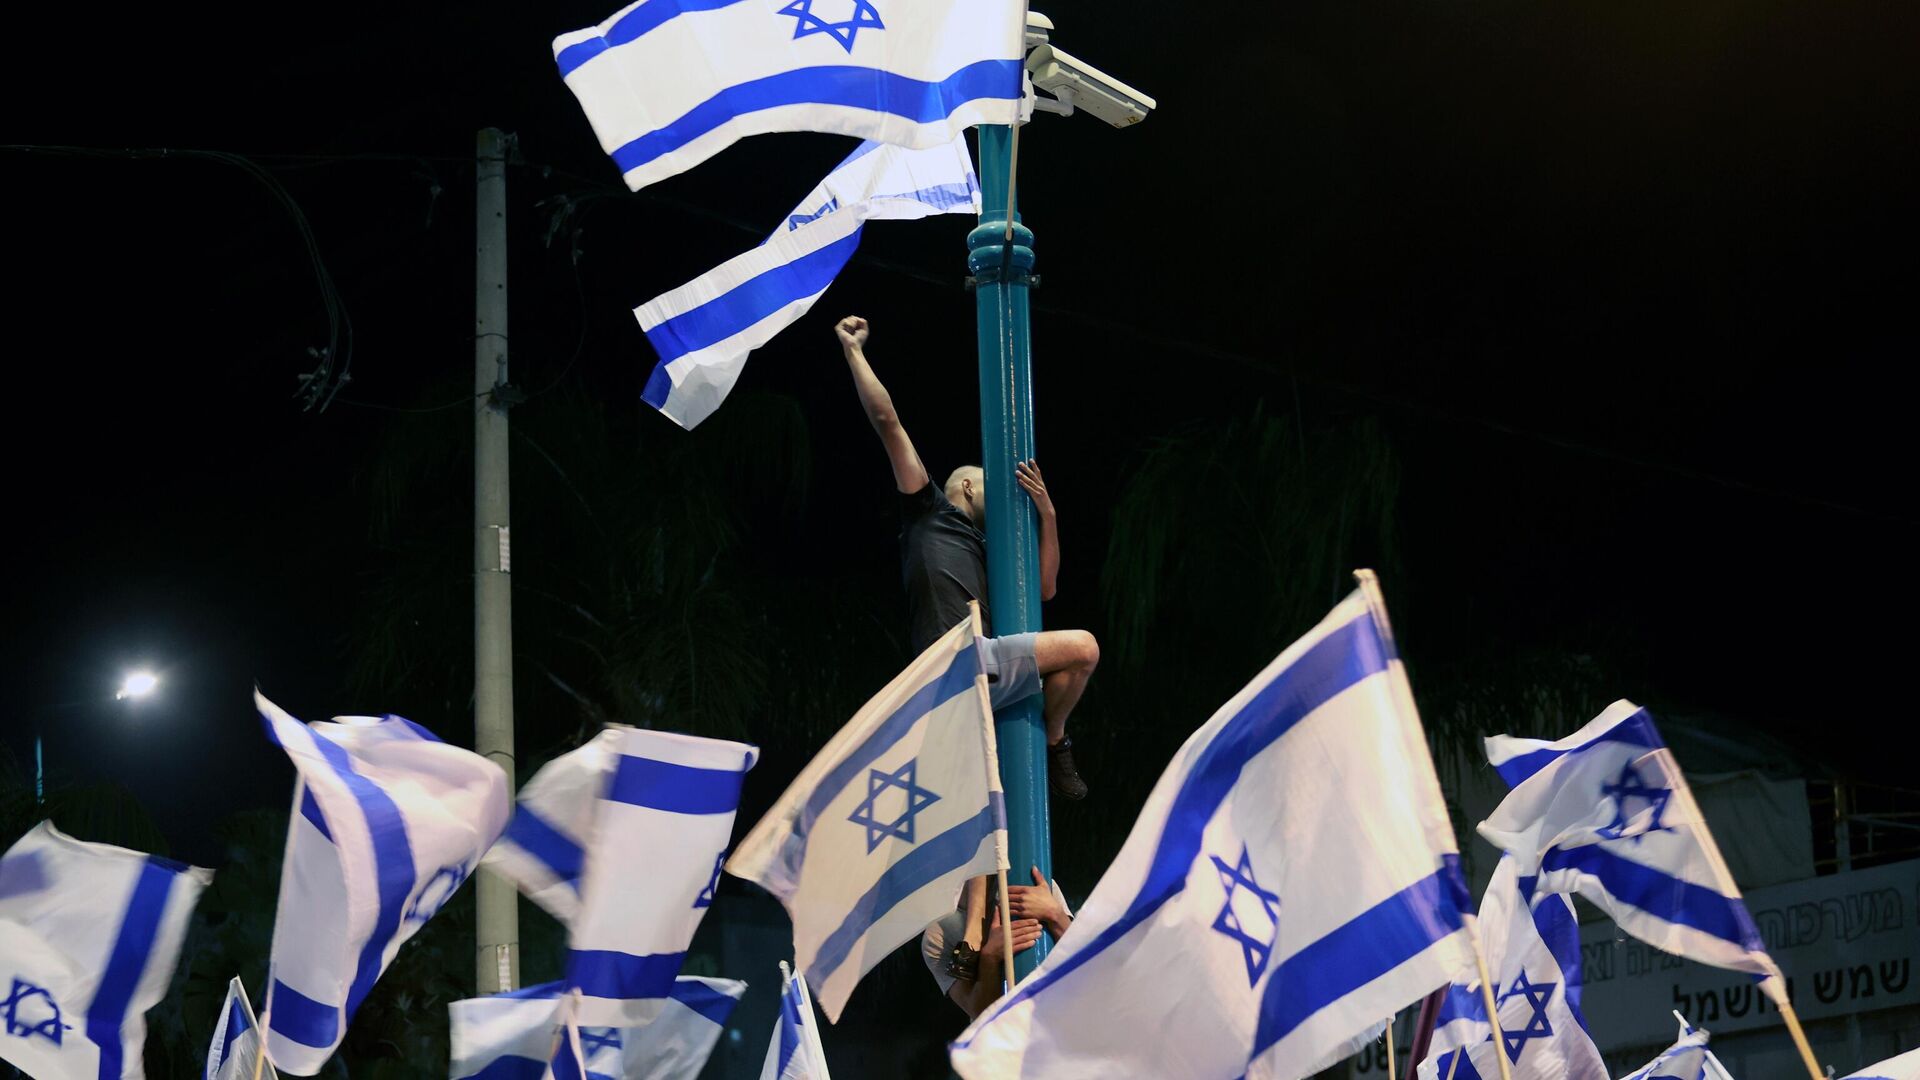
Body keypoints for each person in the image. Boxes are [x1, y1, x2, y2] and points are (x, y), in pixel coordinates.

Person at [834, 314, 1099, 800]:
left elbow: (1045, 589)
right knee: (1083, 646)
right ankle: (1055, 737)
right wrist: (854, 352)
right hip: (949, 664)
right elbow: (888, 422)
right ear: (970, 488)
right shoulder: (928, 511)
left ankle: (1054, 738)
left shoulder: (993, 552)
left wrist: (1049, 515)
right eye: (996, 492)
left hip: (984, 671)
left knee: (1078, 655)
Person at [920, 867, 1073, 1019]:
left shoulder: (1029, 880)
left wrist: (1056, 914)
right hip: (1009, 1036)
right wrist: (990, 958)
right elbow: (978, 1012)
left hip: (1063, 1018)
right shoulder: (939, 933)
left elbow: (1086, 962)